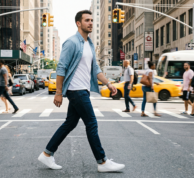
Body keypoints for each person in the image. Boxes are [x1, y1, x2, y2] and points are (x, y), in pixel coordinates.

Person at [38, 10, 125, 172]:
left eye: (92, 20)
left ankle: (47, 154)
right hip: (75, 90)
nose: (90, 23)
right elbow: (61, 67)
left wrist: (108, 84)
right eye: (87, 20)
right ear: (78, 23)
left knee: (70, 123)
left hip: (83, 89)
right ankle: (102, 162)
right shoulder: (71, 42)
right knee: (91, 123)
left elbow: (96, 69)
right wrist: (58, 92)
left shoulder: (90, 44)